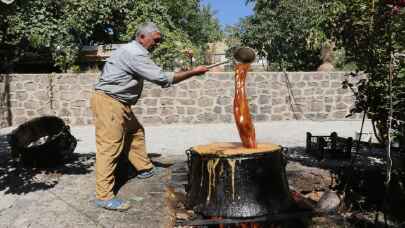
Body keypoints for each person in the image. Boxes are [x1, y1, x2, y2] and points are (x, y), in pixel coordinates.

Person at [90, 22, 209, 211]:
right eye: (155, 40)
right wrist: (193, 72)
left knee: (135, 132)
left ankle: (144, 168)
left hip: (118, 102)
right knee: (109, 147)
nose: (157, 43)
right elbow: (162, 79)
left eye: (158, 40)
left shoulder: (132, 50)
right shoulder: (135, 53)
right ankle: (103, 196)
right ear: (142, 37)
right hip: (110, 103)